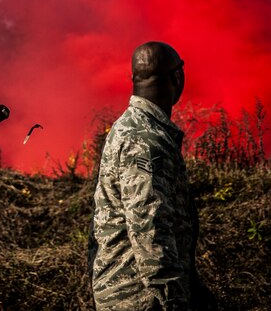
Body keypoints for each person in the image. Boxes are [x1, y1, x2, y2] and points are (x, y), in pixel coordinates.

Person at [88, 41, 216, 310]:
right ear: (178, 77)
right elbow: (150, 229)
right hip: (140, 298)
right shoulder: (145, 140)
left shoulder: (134, 127)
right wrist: (176, 300)